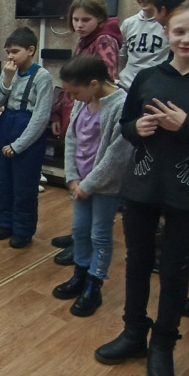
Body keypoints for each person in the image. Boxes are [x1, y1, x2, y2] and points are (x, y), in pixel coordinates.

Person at [94, 0, 189, 376]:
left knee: (176, 272)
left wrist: (186, 126)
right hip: (142, 187)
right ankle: (133, 333)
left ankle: (163, 344)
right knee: (137, 263)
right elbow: (127, 123)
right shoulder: (148, 77)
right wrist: (137, 128)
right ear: (167, 33)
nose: (187, 38)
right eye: (180, 31)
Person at [51, 55, 128, 317]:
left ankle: (94, 284)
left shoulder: (120, 105)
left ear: (94, 84)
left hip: (105, 187)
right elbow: (72, 139)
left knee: (100, 235)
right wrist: (72, 178)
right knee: (80, 231)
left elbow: (116, 156)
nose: (72, 98)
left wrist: (89, 184)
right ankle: (80, 275)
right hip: (80, 183)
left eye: (75, 92)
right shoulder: (82, 102)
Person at [49, 0, 124, 262]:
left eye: (86, 20)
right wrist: (59, 111)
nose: (79, 25)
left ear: (100, 19)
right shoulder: (84, 40)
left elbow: (105, 79)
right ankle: (78, 238)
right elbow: (72, 82)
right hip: (80, 112)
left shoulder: (104, 41)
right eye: (76, 19)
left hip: (95, 120)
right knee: (81, 208)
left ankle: (86, 248)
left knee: (96, 216)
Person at [0, 27, 54, 248]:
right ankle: (5, 223)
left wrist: (19, 145)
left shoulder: (42, 77)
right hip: (6, 123)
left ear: (31, 50)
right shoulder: (9, 71)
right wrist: (6, 79)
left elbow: (41, 117)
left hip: (27, 130)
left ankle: (23, 230)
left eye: (15, 51)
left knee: (24, 185)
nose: (10, 56)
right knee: (2, 181)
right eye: (8, 51)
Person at [118, 0, 169, 91]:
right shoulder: (128, 23)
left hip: (154, 88)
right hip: (125, 87)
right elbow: (121, 58)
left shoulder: (169, 24)